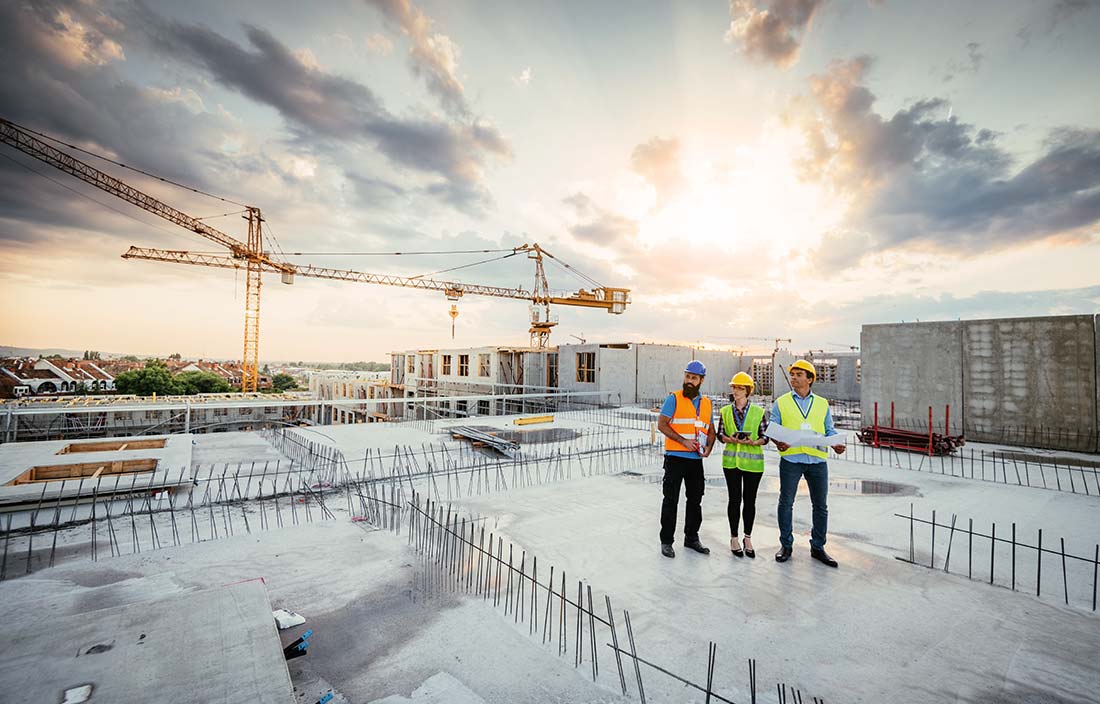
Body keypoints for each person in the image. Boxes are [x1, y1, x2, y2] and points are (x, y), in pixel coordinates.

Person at [771, 360, 846, 567]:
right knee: (786, 503)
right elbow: (773, 428)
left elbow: (829, 429)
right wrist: (779, 442)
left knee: (820, 506)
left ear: (810, 379)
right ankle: (786, 545)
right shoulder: (782, 402)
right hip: (791, 460)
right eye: (792, 374)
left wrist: (836, 443)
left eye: (798, 374)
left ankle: (818, 547)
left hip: (817, 462)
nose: (793, 377)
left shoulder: (822, 404)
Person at [655, 360, 716, 558]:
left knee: (695, 500)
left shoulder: (706, 403)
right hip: (675, 458)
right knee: (671, 500)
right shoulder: (674, 399)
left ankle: (691, 538)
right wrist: (683, 441)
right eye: (687, 376)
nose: (689, 381)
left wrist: (708, 447)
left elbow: (711, 431)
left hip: (695, 460)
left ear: (701, 380)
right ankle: (667, 541)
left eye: (694, 378)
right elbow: (662, 425)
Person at [717, 372, 768, 558]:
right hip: (731, 463)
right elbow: (720, 434)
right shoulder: (725, 411)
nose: (735, 391)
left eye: (740, 388)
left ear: (747, 391)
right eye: (734, 387)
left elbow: (765, 437)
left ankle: (748, 537)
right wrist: (728, 438)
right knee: (734, 500)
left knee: (750, 501)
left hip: (753, 466)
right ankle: (733, 538)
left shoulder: (758, 412)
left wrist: (754, 442)